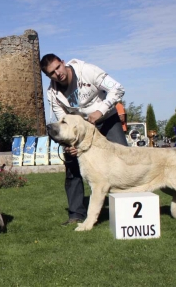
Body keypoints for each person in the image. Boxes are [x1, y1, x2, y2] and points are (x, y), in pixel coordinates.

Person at [41, 54, 128, 226]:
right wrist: (68, 145)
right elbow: (63, 121)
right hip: (81, 131)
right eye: (52, 73)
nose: (57, 74)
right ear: (48, 76)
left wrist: (101, 111)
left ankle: (125, 208)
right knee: (72, 165)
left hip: (107, 120)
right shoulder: (53, 94)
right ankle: (76, 214)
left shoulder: (88, 71)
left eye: (58, 67)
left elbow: (118, 88)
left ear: (63, 63)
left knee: (123, 158)